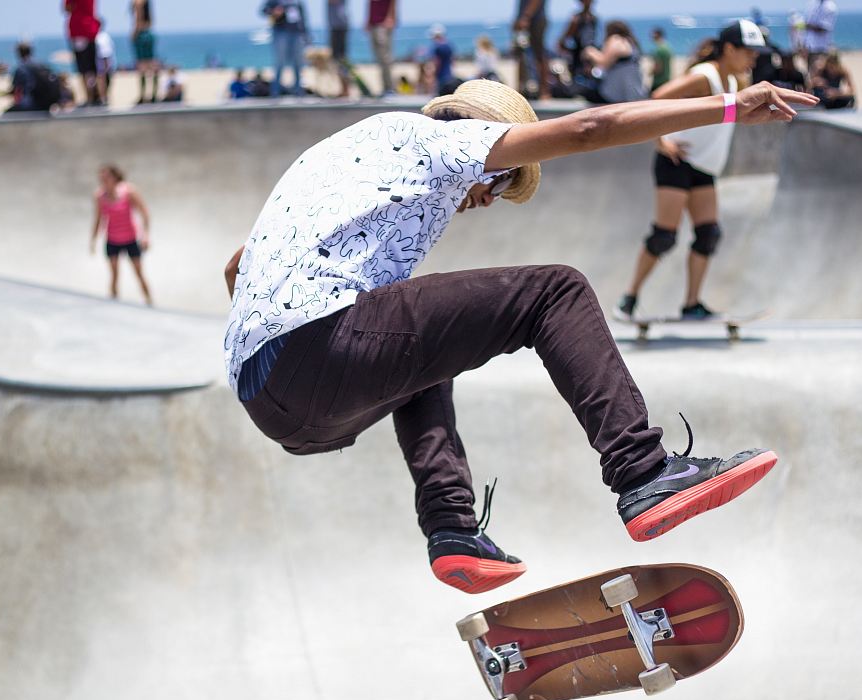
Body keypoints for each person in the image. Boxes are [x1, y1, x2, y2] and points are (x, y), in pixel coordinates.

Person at [223, 77, 814, 594]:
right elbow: (592, 127)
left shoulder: (350, 160)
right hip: (325, 346)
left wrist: (292, 359)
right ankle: (644, 472)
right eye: (504, 181)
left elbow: (235, 269)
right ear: (485, 137)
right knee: (554, 291)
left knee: (425, 344)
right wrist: (732, 107)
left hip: (270, 400)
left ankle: (451, 527)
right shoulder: (442, 139)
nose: (488, 199)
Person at [618, 20, 767, 322]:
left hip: (702, 167)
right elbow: (656, 99)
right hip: (676, 162)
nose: (755, 58)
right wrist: (661, 142)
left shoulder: (735, 82)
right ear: (729, 49)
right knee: (664, 237)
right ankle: (628, 299)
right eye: (749, 52)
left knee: (708, 235)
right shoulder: (705, 76)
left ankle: (691, 304)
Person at [91, 165, 152, 304]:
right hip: (112, 239)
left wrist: (146, 235)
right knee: (114, 274)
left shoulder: (128, 191)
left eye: (106, 178)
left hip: (130, 238)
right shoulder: (100, 196)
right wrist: (93, 240)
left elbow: (144, 213)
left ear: (115, 178)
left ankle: (149, 301)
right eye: (101, 179)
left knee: (139, 273)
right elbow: (98, 218)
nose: (104, 181)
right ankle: (113, 302)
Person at [581, 20, 647, 104]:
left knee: (583, 91)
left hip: (615, 94)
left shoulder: (616, 40)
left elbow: (604, 63)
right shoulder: (630, 42)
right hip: (633, 92)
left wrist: (590, 52)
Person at [0, 42, 61, 114]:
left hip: (31, 104)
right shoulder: (41, 65)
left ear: (19, 53)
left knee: (6, 114)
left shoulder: (21, 68)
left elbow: (15, 89)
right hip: (47, 104)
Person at [262, 1, 308, 98]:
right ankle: (276, 91)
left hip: (297, 33)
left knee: (298, 62)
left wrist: (305, 34)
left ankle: (298, 90)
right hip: (281, 32)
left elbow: (302, 16)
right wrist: (274, 11)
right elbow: (263, 11)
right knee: (280, 62)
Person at [64, 0, 101, 106]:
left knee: (84, 70)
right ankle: (99, 96)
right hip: (91, 30)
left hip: (79, 30)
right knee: (93, 69)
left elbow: (67, 8)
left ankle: (89, 98)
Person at [514, 0, 550, 100]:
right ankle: (521, 90)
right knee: (520, 53)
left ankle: (544, 90)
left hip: (534, 19)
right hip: (526, 18)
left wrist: (526, 17)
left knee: (539, 55)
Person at [559, 0, 599, 87]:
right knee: (579, 78)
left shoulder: (593, 17)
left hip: (589, 52)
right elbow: (565, 37)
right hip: (579, 53)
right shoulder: (577, 18)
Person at [366, 0, 397, 97]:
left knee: (385, 58)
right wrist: (368, 21)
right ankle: (385, 88)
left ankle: (390, 88)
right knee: (379, 58)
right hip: (374, 24)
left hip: (383, 23)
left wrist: (391, 17)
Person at [131, 0, 159, 104]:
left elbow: (138, 19)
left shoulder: (138, 2)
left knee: (142, 66)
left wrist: (134, 33)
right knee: (152, 65)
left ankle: (143, 96)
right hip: (149, 33)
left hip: (142, 35)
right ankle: (154, 95)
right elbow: (151, 20)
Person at [803, 0, 837, 69]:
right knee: (810, 74)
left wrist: (808, 26)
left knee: (818, 74)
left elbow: (825, 27)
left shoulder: (830, 6)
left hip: (821, 48)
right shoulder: (815, 4)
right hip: (811, 48)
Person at [328, 0, 352, 98]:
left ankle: (346, 89)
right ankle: (344, 88)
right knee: (338, 59)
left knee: (341, 59)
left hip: (340, 25)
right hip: (335, 26)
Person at [428, 24, 457, 95]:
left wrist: (432, 74)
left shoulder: (436, 47)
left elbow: (436, 62)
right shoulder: (449, 45)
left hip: (440, 75)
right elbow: (453, 60)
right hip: (449, 74)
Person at [94, 18, 116, 106]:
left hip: (102, 65)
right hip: (106, 64)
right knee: (105, 82)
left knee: (103, 82)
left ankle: (103, 99)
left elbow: (105, 54)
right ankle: (104, 98)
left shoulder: (100, 37)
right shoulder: (104, 36)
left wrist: (106, 66)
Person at [649, 27, 673, 92]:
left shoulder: (658, 50)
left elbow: (658, 68)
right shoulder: (668, 47)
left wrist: (650, 72)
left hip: (658, 82)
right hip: (666, 79)